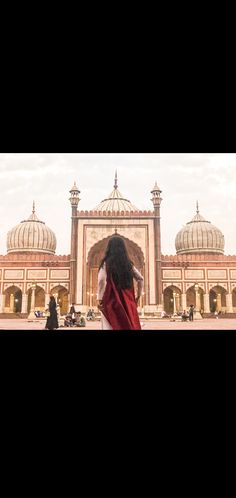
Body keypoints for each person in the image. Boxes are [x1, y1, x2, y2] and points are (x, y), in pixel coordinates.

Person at [97, 236, 144, 330]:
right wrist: (138, 296)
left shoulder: (106, 263)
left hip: (111, 301)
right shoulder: (128, 264)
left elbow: (101, 281)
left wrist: (99, 298)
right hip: (128, 301)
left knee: (109, 325)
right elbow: (140, 279)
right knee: (128, 325)